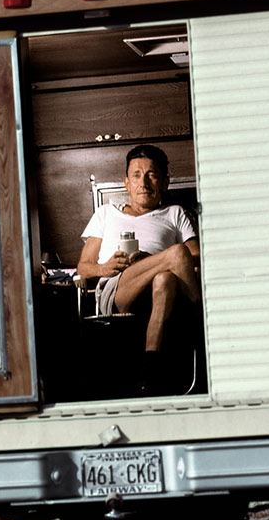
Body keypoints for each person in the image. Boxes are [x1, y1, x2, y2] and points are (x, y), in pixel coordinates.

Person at [76, 143, 200, 361]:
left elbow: (198, 255)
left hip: (167, 289)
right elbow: (83, 267)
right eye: (136, 176)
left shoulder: (175, 213)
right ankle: (201, 323)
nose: (143, 183)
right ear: (127, 183)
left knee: (165, 278)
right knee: (178, 253)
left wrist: (153, 263)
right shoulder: (106, 213)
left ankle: (150, 366)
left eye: (151, 175)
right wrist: (105, 267)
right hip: (119, 287)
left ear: (164, 182)